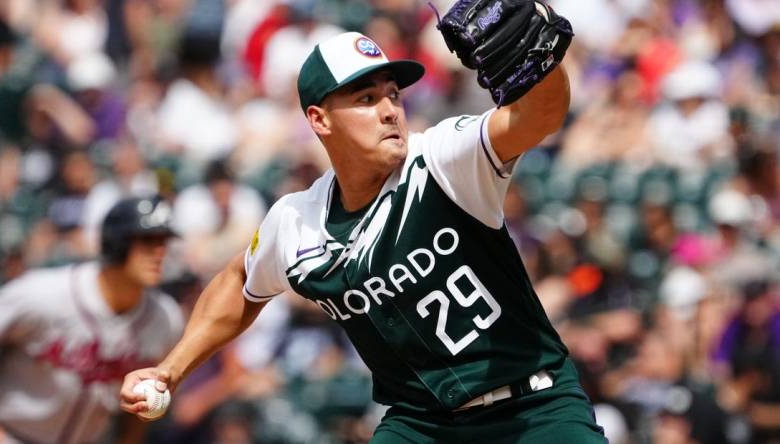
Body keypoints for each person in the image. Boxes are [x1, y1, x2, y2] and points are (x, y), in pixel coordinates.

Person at [121, 28, 607, 442]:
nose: (390, 110)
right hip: (423, 424)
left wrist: (535, 58)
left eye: (393, 94)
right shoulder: (297, 222)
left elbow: (539, 116)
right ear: (319, 119)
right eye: (366, 98)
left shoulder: (441, 161)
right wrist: (171, 369)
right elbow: (238, 284)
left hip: (533, 405)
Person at [0, 196, 184, 444]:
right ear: (117, 242)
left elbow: (139, 414)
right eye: (147, 240)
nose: (160, 252)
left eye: (164, 241)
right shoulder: (42, 294)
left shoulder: (165, 319)